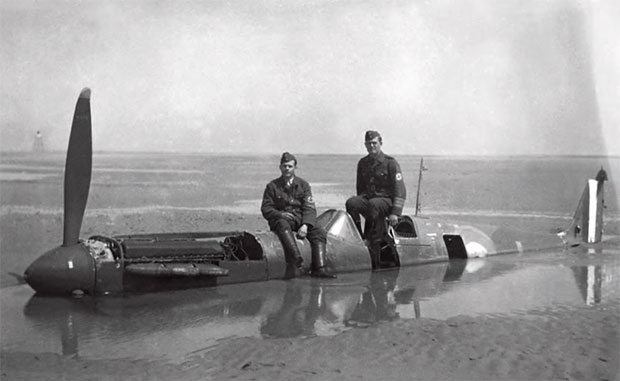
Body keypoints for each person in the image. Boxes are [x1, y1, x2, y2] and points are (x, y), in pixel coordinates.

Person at [261, 152, 336, 278]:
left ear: (295, 168)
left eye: (290, 166)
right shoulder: (272, 186)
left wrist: (306, 225)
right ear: (280, 167)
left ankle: (320, 267)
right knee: (282, 224)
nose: (287, 169)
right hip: (282, 219)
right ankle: (296, 257)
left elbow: (309, 207)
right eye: (284, 166)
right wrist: (280, 214)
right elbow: (266, 208)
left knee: (319, 232)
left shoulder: (303, 185)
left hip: (299, 218)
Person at [345, 130, 407, 246]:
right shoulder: (363, 163)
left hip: (386, 202)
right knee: (351, 203)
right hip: (370, 202)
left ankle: (368, 239)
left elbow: (400, 190)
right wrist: (362, 204)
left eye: (374, 143)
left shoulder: (391, 163)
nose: (371, 146)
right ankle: (358, 236)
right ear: (365, 145)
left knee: (374, 204)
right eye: (368, 143)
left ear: (380, 143)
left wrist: (395, 213)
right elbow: (360, 188)